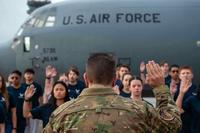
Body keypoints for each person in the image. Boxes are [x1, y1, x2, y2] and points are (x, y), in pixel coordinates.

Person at [43, 53, 181, 132]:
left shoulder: (61, 113)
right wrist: (161, 88)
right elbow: (172, 126)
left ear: (85, 78)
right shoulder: (140, 110)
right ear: (115, 79)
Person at [174, 66, 197, 133]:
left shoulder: (196, 88)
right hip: (180, 123)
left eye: (188, 73)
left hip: (194, 123)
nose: (185, 75)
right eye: (183, 73)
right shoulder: (175, 89)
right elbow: (175, 110)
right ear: (180, 76)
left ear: (192, 75)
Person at [22, 68, 43, 133]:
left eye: (30, 74)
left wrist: (40, 109)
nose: (28, 75)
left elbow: (41, 99)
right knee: (25, 129)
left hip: (34, 111)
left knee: (34, 130)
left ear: (33, 75)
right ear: (24, 75)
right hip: (24, 111)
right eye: (27, 74)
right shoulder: (22, 86)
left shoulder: (37, 86)